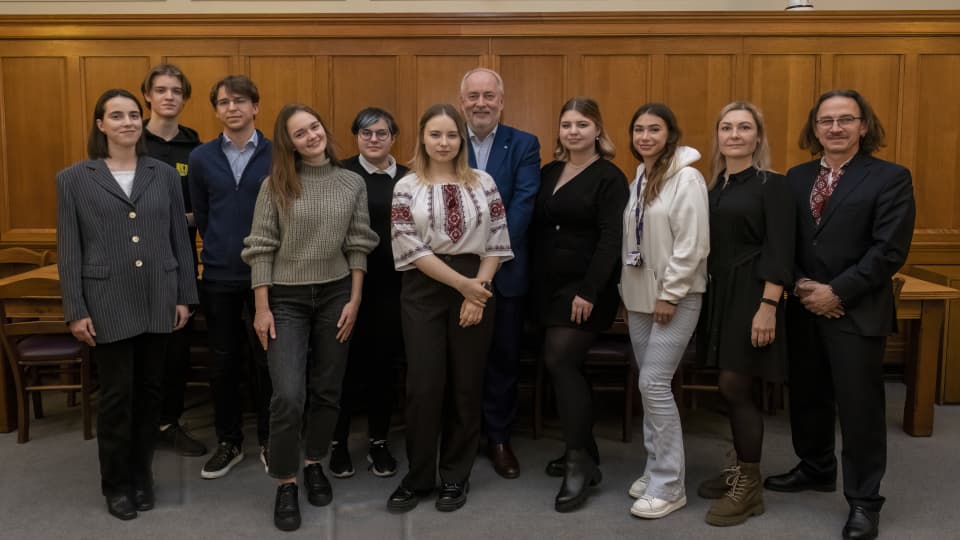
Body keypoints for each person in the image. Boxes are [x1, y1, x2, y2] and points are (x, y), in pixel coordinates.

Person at [764, 90, 915, 540]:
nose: (835, 128)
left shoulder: (890, 177)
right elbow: (780, 241)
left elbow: (889, 250)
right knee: (808, 397)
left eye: (845, 120)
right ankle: (815, 467)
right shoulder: (794, 177)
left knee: (860, 409)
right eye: (826, 121)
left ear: (863, 126)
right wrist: (800, 284)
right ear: (814, 128)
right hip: (804, 307)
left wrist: (837, 291)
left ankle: (865, 501)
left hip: (856, 309)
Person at [56, 88, 198, 520]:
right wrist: (76, 309)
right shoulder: (75, 178)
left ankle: (142, 475)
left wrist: (185, 297)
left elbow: (180, 237)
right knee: (118, 397)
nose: (127, 122)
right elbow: (69, 249)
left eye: (134, 114)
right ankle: (116, 483)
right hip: (107, 301)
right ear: (101, 125)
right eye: (116, 115)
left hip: (159, 295)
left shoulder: (164, 173)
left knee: (151, 394)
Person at [242, 103, 378, 531]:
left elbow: (358, 243)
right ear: (290, 143)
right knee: (287, 394)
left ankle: (314, 460)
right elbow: (260, 246)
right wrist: (262, 308)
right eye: (300, 133)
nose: (311, 136)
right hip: (286, 299)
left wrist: (355, 300)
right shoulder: (276, 184)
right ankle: (286, 481)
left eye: (314, 127)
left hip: (338, 292)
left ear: (324, 128)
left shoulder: (351, 182)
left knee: (328, 389)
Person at [386, 103, 513, 514]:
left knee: (466, 384)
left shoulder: (484, 181)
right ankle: (419, 475)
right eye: (435, 134)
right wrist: (465, 288)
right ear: (422, 138)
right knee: (424, 385)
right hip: (425, 287)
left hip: (478, 281)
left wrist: (479, 290)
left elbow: (497, 238)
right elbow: (409, 245)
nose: (444, 142)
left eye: (452, 135)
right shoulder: (407, 185)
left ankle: (455, 475)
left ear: (462, 140)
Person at [697, 102, 795, 526]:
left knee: (736, 385)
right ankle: (739, 466)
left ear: (758, 136)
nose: (734, 135)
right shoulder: (711, 185)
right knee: (729, 388)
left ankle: (750, 487)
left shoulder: (773, 184)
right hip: (719, 292)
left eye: (744, 128)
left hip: (754, 293)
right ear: (717, 135)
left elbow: (780, 249)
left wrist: (769, 306)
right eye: (726, 127)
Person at [533, 97, 628, 513]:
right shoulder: (549, 172)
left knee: (561, 362)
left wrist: (589, 290)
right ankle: (585, 453)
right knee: (562, 365)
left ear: (597, 130)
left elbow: (612, 239)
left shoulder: (610, 177)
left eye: (582, 124)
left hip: (587, 289)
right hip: (547, 287)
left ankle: (579, 462)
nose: (573, 131)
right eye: (567, 123)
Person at [619, 102, 709, 520]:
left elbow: (692, 244)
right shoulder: (641, 175)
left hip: (675, 297)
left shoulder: (686, 177)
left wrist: (670, 294)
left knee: (654, 384)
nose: (645, 137)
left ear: (670, 133)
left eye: (654, 129)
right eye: (638, 130)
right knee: (648, 384)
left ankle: (670, 484)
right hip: (639, 296)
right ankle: (655, 466)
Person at [188, 75, 273, 479]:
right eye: (223, 102)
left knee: (268, 362)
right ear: (217, 110)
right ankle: (230, 441)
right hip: (220, 274)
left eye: (240, 101)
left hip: (269, 276)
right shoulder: (202, 158)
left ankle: (272, 440)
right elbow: (202, 214)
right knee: (223, 363)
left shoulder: (278, 154)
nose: (232, 108)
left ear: (256, 106)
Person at [459, 68, 541, 479]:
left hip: (507, 271)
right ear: (462, 102)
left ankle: (499, 438)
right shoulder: (447, 138)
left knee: (503, 359)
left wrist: (492, 252)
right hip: (455, 273)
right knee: (460, 359)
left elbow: (525, 200)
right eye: (473, 96)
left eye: (488, 95)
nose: (481, 103)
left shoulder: (524, 143)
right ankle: (462, 435)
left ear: (501, 100)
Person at [329, 107, 409, 479]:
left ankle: (378, 441)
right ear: (356, 137)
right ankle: (338, 442)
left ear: (393, 137)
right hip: (344, 285)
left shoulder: (410, 179)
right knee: (342, 367)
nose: (373, 139)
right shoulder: (340, 175)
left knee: (383, 367)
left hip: (394, 288)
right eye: (365, 133)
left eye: (381, 133)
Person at [140, 63, 207, 457]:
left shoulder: (195, 146)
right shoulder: (132, 140)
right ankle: (140, 423)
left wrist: (190, 217)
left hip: (180, 260)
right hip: (134, 259)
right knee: (139, 345)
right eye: (161, 90)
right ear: (147, 95)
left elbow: (205, 203)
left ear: (184, 98)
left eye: (176, 91)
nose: (169, 96)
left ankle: (168, 423)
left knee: (176, 350)